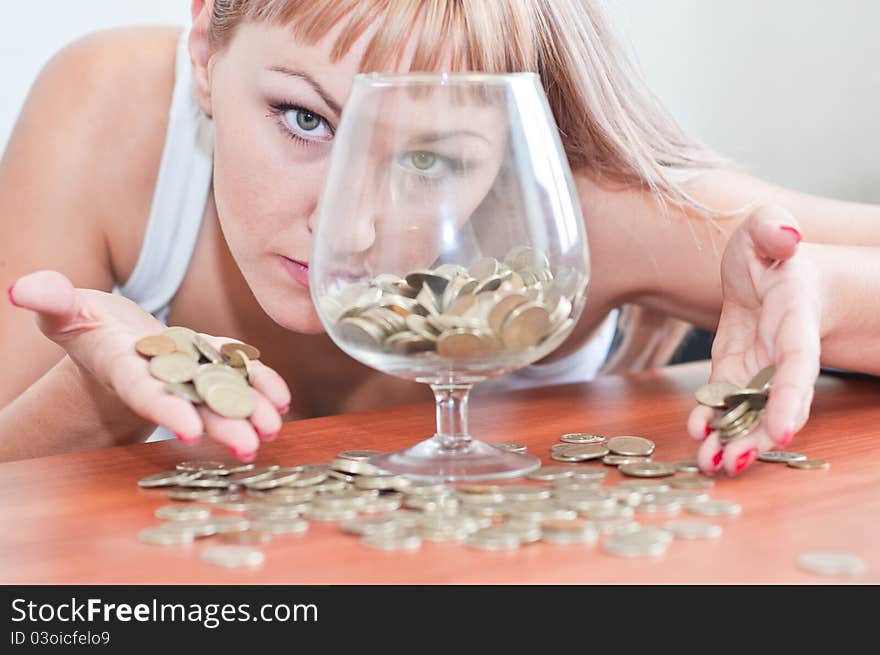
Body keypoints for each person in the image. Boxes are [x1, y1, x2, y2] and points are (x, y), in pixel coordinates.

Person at [1, 0, 878, 476]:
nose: (356, 220)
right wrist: (105, 395)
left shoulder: (572, 202)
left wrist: (832, 299)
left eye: (428, 159)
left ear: (514, 138)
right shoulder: (108, 117)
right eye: (304, 118)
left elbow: (833, 272)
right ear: (203, 50)